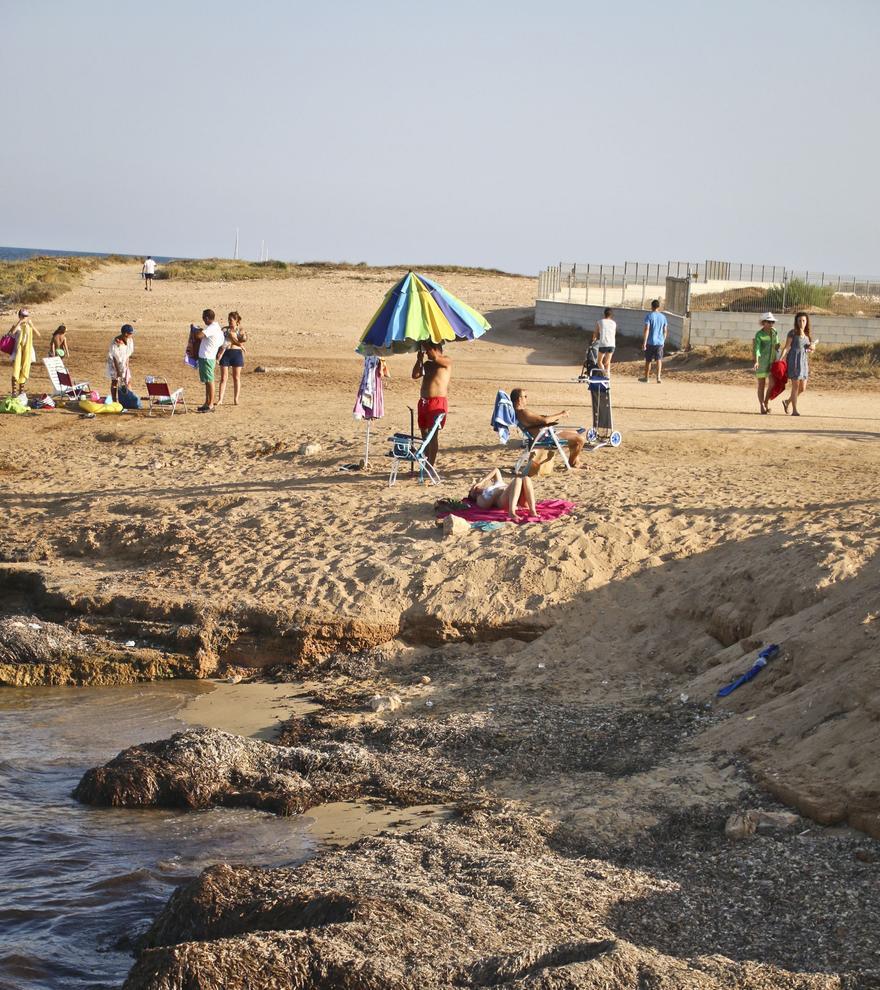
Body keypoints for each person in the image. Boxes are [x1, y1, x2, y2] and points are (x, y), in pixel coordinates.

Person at [510, 387, 585, 468]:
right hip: (545, 436)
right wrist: (562, 414)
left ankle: (576, 462)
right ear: (519, 399)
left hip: (543, 433)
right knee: (580, 439)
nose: (526, 398)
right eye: (525, 396)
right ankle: (572, 463)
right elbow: (545, 421)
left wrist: (553, 417)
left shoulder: (519, 413)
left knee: (575, 433)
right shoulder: (524, 413)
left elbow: (540, 420)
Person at [411, 341, 451, 466]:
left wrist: (424, 340)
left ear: (436, 349)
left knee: (432, 435)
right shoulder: (428, 364)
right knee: (424, 434)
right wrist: (419, 360)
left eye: (428, 350)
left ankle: (430, 465)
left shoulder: (446, 361)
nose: (426, 352)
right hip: (424, 403)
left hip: (437, 403)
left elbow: (435, 357)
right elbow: (415, 375)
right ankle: (425, 463)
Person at [469, 467, 537, 519]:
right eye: (471, 491)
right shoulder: (482, 496)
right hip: (503, 500)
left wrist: (482, 482)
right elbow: (485, 505)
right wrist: (481, 495)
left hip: (520, 500)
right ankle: (511, 512)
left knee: (526, 478)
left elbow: (496, 470)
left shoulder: (496, 483)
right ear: (473, 495)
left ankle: (532, 511)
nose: (474, 487)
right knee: (517, 480)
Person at [780, 312, 813, 416]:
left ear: (806, 322)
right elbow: (786, 347)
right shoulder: (793, 333)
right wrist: (781, 359)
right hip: (794, 361)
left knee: (802, 388)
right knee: (795, 386)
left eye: (804, 320)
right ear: (796, 322)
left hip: (803, 362)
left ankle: (787, 401)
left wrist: (811, 348)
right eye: (799, 320)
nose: (801, 323)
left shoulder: (807, 335)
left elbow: (807, 349)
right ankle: (794, 410)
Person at [193, 308, 225, 411]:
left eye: (203, 318)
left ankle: (210, 404)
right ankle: (207, 403)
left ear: (207, 318)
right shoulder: (217, 328)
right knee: (207, 381)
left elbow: (199, 336)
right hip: (208, 357)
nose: (203, 320)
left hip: (207, 357)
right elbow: (221, 343)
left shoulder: (212, 328)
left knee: (210, 381)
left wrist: (197, 330)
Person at [217, 311, 247, 406]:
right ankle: (220, 399)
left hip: (236, 353)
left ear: (236, 320)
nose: (229, 322)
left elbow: (243, 340)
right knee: (223, 378)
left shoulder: (240, 330)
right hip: (226, 353)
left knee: (236, 377)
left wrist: (234, 339)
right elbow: (220, 341)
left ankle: (236, 399)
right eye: (228, 320)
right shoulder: (224, 330)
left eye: (231, 320)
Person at [8, 309, 40, 396]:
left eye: (26, 316)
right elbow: (12, 333)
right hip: (17, 351)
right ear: (19, 316)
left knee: (24, 369)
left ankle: (21, 390)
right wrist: (19, 322)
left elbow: (38, 334)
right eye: (23, 316)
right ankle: (14, 391)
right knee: (16, 370)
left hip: (28, 351)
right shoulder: (16, 326)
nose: (25, 318)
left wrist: (32, 326)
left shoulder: (29, 326)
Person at [752, 312, 779, 414]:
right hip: (761, 363)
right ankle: (762, 405)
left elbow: (777, 345)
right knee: (761, 385)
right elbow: (757, 349)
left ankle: (766, 402)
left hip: (772, 362)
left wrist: (778, 348)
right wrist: (756, 361)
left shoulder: (774, 332)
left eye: (772, 322)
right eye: (769, 322)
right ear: (763, 323)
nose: (771, 324)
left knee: (772, 383)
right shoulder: (759, 334)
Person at [105, 325, 136, 401]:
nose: (131, 335)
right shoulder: (115, 342)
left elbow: (127, 354)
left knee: (127, 380)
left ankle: (129, 398)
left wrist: (127, 366)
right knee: (115, 381)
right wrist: (118, 371)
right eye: (130, 333)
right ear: (125, 334)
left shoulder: (129, 340)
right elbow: (115, 358)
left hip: (123, 362)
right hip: (114, 363)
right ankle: (114, 399)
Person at [641, 299, 668, 383]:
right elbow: (665, 330)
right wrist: (663, 340)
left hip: (650, 342)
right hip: (659, 342)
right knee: (659, 360)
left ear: (651, 306)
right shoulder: (663, 317)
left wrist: (644, 342)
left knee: (648, 361)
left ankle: (646, 377)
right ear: (658, 307)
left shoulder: (649, 316)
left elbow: (647, 329)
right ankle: (658, 377)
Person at [592, 307, 617, 375]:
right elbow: (614, 334)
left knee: (599, 361)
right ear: (611, 315)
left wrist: (593, 339)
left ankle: (604, 373)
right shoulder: (614, 323)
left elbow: (596, 333)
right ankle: (607, 376)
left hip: (603, 343)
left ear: (604, 314)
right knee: (607, 362)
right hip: (612, 344)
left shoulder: (600, 322)